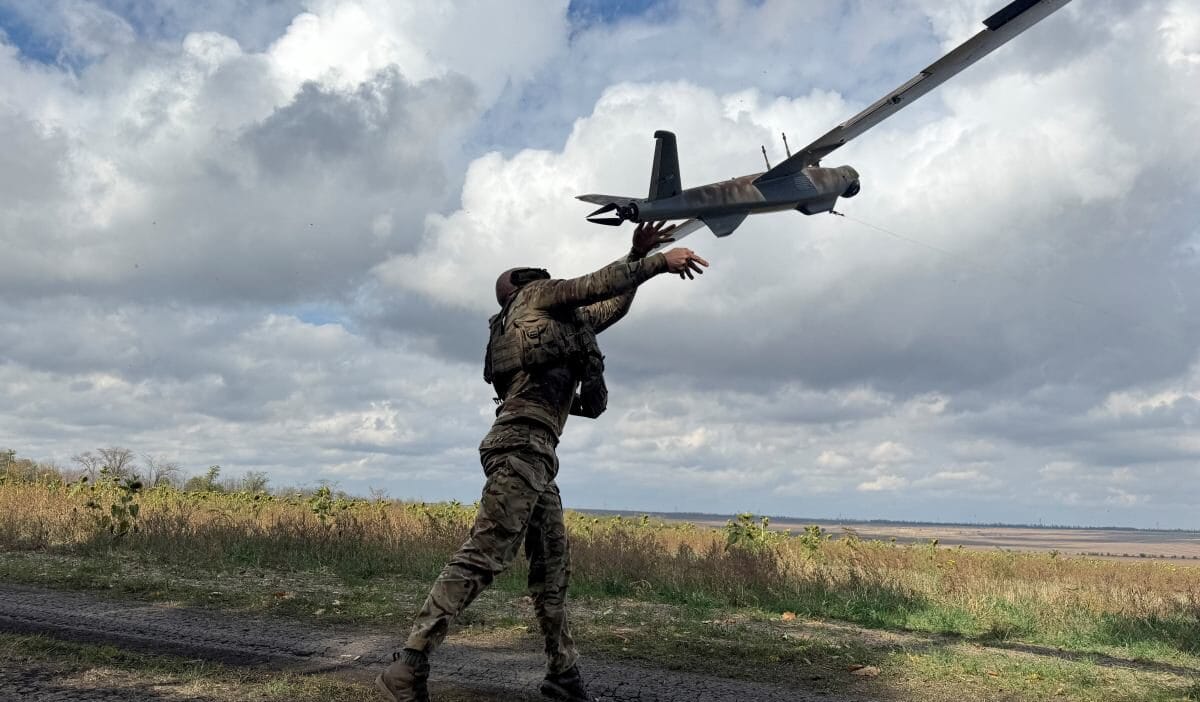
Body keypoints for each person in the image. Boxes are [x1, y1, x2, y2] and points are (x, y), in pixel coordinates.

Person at [375, 221, 709, 702]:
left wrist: (636, 258)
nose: (539, 275)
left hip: (536, 454)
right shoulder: (534, 299)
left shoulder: (556, 322)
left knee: (552, 570)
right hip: (520, 447)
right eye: (527, 275)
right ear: (515, 291)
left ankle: (562, 676)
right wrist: (657, 262)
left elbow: (610, 303)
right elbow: (593, 285)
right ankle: (407, 667)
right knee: (484, 555)